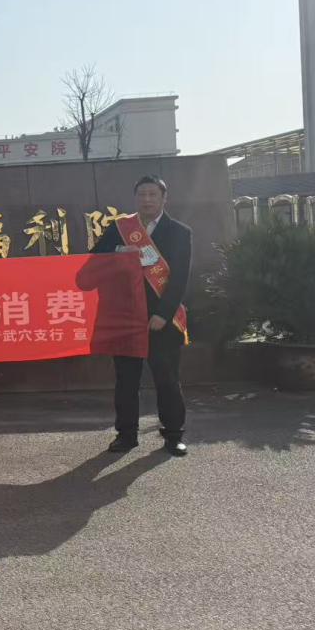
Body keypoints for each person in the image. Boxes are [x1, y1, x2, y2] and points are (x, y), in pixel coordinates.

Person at [90, 175, 192, 457]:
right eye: (142, 194)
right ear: (135, 198)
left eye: (152, 194)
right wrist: (119, 251)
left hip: (162, 321)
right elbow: (93, 261)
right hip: (125, 318)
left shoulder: (179, 232)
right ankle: (126, 435)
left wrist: (163, 313)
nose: (147, 199)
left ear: (163, 198)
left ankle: (173, 435)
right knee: (126, 381)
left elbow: (180, 279)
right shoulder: (119, 229)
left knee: (167, 380)